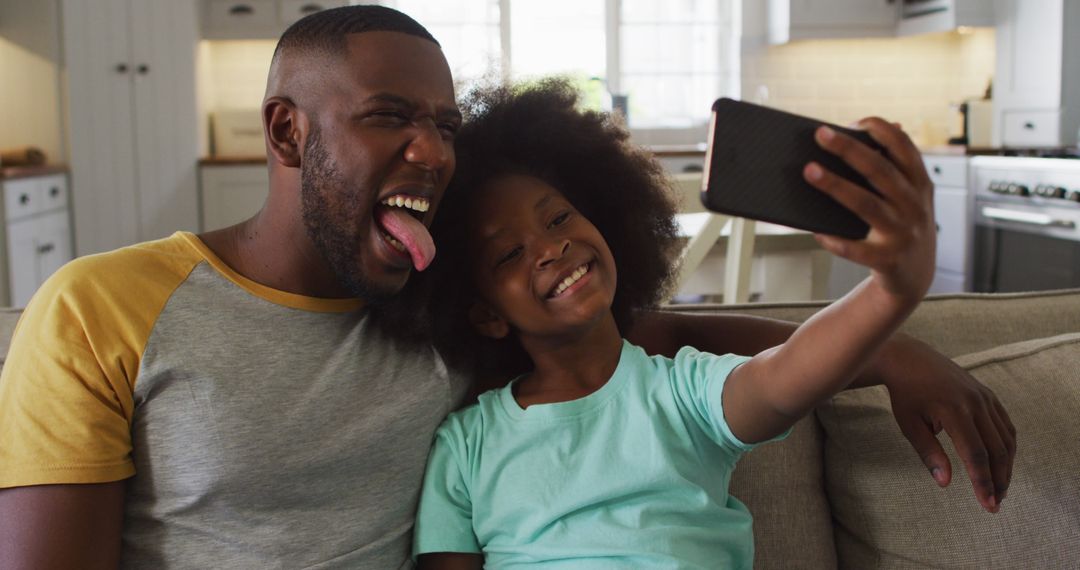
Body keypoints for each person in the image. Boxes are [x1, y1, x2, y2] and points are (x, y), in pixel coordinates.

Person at [0, 5, 1013, 569]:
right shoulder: (101, 308)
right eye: (390, 117)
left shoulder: (439, 310)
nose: (431, 152)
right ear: (286, 132)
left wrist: (892, 339)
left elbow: (638, 339)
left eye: (444, 125)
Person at [409, 79, 942, 568]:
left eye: (558, 218)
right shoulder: (465, 445)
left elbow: (786, 378)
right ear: (485, 314)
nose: (552, 247)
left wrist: (892, 290)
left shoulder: (683, 391)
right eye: (509, 255)